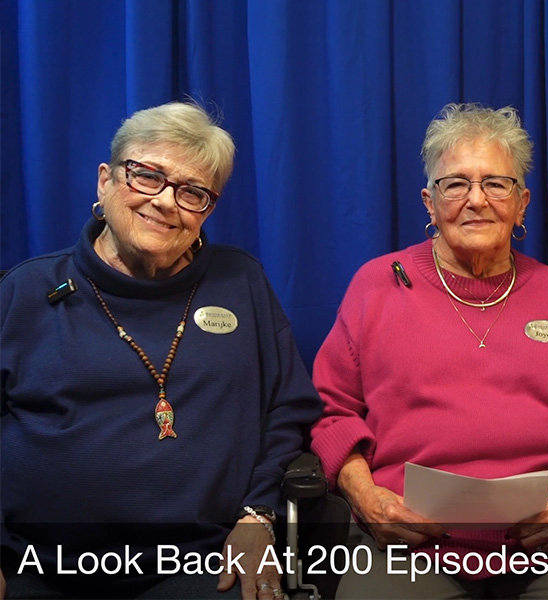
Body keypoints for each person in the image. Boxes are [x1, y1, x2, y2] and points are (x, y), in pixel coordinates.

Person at [310, 103, 548, 599]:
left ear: (522, 202)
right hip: (409, 539)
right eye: (455, 184)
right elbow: (331, 414)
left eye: (495, 183)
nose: (476, 200)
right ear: (429, 201)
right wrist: (368, 499)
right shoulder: (375, 288)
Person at [0, 101, 323, 599]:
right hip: (37, 566)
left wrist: (258, 513)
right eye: (147, 176)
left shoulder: (241, 282)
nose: (167, 202)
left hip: (201, 564)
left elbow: (288, 411)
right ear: (105, 182)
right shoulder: (24, 292)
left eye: (193, 191)